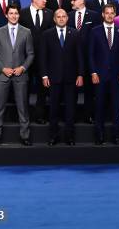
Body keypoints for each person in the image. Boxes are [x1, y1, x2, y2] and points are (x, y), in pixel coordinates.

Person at [0, 5, 34, 146]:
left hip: (20, 75)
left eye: (16, 13)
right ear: (6, 15)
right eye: (11, 13)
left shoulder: (26, 32)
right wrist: (3, 69)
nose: (14, 16)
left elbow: (31, 54)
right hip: (2, 76)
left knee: (23, 107)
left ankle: (25, 136)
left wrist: (23, 67)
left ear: (19, 15)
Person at [39, 9, 84, 146]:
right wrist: (44, 75)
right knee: (53, 109)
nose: (61, 19)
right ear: (54, 19)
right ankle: (53, 136)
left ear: (67, 18)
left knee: (70, 109)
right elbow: (43, 57)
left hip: (71, 78)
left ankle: (69, 137)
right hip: (53, 78)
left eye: (64, 16)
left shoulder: (75, 33)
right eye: (58, 17)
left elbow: (80, 57)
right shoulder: (47, 34)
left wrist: (81, 74)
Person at [89, 4, 119, 145]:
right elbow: (91, 55)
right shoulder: (95, 31)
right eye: (107, 13)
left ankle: (116, 135)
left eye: (112, 13)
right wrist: (93, 72)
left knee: (116, 107)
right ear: (103, 15)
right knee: (99, 106)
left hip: (117, 76)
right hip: (99, 76)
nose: (110, 15)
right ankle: (99, 136)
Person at [19, 0, 54, 124]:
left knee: (42, 90)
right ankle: (24, 116)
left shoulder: (50, 13)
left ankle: (40, 116)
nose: (46, 0)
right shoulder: (22, 13)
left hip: (44, 59)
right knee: (24, 89)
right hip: (25, 58)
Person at [68, 0, 101, 124]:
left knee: (89, 90)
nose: (72, 2)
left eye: (74, 0)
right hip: (71, 60)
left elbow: (98, 37)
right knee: (72, 91)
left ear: (82, 0)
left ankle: (88, 115)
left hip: (88, 59)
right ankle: (72, 116)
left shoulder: (94, 15)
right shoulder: (68, 16)